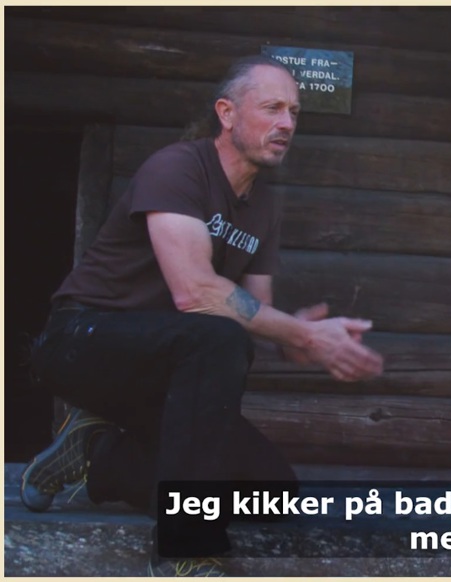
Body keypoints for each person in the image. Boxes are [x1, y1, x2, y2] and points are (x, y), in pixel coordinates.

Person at [22, 55, 384, 576]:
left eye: (294, 112)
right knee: (216, 337)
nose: (287, 123)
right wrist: (303, 334)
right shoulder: (179, 168)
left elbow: (254, 310)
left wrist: (299, 336)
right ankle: (185, 549)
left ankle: (96, 455)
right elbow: (195, 292)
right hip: (81, 339)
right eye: (272, 108)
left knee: (274, 493)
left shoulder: (264, 206)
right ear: (227, 113)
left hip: (167, 373)